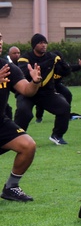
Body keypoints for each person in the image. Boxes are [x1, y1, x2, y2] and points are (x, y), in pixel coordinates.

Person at [0, 30, 42, 201]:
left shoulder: (7, 67)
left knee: (28, 145)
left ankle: (11, 187)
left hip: (1, 123)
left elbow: (26, 90)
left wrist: (35, 81)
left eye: (0, 37)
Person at [14, 34, 75, 145]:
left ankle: (57, 135)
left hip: (46, 93)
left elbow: (65, 72)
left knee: (64, 107)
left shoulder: (52, 57)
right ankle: (16, 136)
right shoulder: (25, 58)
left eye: (45, 42)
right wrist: (49, 63)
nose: (44, 45)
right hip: (27, 92)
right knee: (24, 112)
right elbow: (24, 74)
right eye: (40, 43)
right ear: (34, 45)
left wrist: (62, 63)